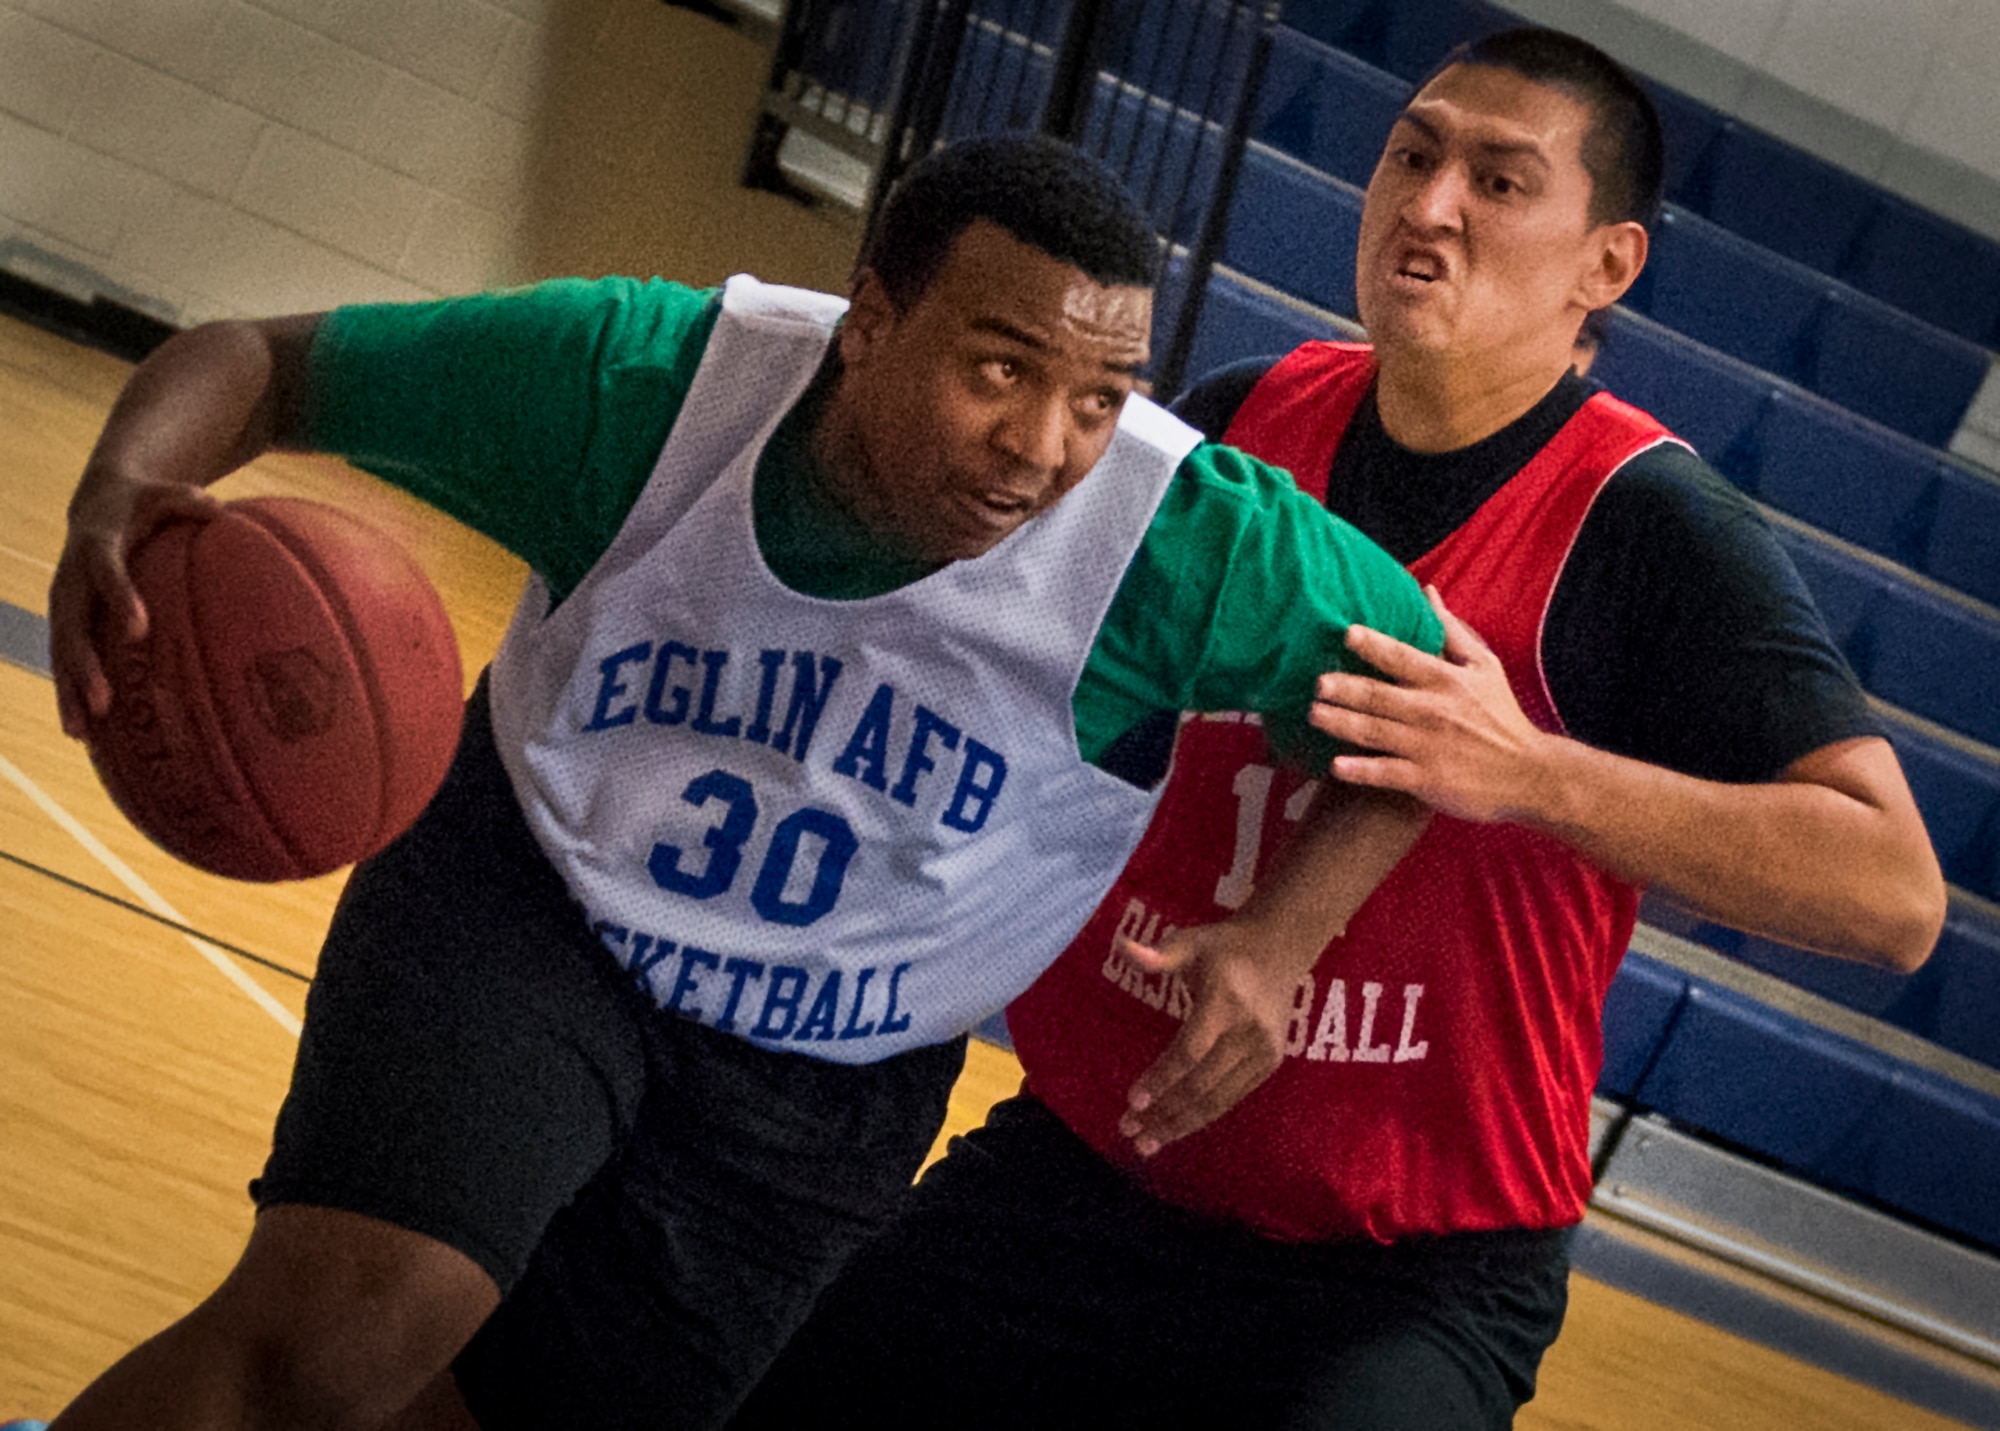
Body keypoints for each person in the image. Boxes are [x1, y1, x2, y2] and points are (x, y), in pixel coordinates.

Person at [42, 136, 1445, 1430]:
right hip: (542, 902)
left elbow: (1430, 707)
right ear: (872, 323)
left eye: (1099, 398)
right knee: (340, 1339)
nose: (1042, 448)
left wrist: (1282, 939)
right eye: (1001, 370)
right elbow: (260, 361)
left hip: (831, 1063)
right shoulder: (647, 384)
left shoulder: (1186, 542)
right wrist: (119, 486)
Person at [731, 29, 1947, 1430]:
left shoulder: (1651, 525)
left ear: (1607, 264)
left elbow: (1895, 894)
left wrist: (1530, 772)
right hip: (1091, 1176)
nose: (1429, 205)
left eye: (1500, 183)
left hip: (1398, 1281)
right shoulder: (1242, 421)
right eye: (1415, 154)